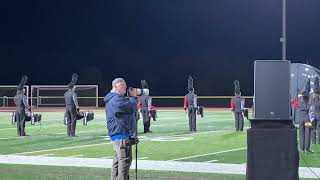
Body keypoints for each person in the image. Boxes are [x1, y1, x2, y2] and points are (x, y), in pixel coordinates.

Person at [104, 78, 138, 180]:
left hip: (119, 134)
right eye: (124, 85)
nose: (126, 87)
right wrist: (133, 97)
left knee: (118, 161)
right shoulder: (115, 99)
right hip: (121, 134)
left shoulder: (113, 98)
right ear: (116, 86)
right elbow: (130, 107)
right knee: (124, 161)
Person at [298, 78, 313, 153]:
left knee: (301, 133)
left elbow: (296, 105)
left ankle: (302, 148)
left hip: (300, 117)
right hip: (307, 117)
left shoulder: (300, 99)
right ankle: (307, 148)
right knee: (308, 133)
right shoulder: (310, 99)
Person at [310, 77, 320, 144]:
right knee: (318, 128)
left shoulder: (311, 98)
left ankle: (313, 141)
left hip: (313, 114)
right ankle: (319, 141)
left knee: (313, 128)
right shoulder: (318, 99)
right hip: (318, 114)